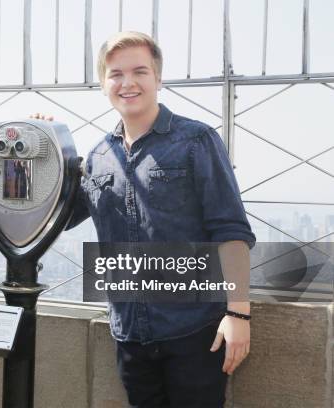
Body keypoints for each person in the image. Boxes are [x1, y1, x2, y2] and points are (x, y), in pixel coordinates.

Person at [33, 31, 255, 407]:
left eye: (140, 71)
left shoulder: (196, 141)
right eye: (116, 74)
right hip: (130, 336)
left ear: (158, 78)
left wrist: (238, 313)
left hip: (195, 330)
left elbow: (230, 230)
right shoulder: (99, 155)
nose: (128, 82)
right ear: (104, 84)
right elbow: (56, 217)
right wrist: (42, 143)